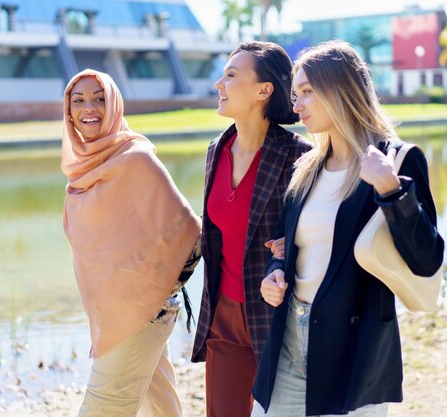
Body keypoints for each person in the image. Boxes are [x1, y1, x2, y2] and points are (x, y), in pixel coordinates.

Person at [252, 40, 445, 417]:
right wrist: (273, 275)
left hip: (356, 347)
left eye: (307, 91)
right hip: (290, 335)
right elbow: (285, 247)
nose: (296, 104)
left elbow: (427, 257)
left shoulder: (396, 161)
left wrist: (391, 190)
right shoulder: (306, 169)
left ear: (341, 88)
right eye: (295, 94)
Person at [61, 69, 201, 417]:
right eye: (78, 101)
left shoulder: (136, 158)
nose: (88, 108)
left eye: (99, 98)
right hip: (112, 315)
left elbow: (187, 230)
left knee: (101, 408)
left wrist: (153, 288)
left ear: (114, 105)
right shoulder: (80, 169)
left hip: (144, 314)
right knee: (161, 404)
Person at [191, 41, 311, 417]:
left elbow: (317, 233)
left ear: (264, 90)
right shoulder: (216, 149)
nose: (218, 85)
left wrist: (291, 244)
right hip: (222, 316)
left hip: (275, 317)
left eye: (230, 75)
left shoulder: (299, 156)